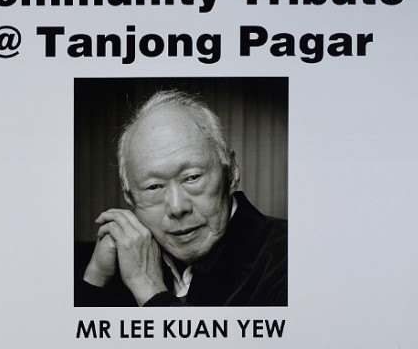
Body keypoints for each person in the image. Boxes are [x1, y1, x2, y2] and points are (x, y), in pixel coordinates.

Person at [76, 90, 287, 307]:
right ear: (130, 198)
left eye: (192, 177)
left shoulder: (290, 258)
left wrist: (148, 288)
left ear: (231, 173)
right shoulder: (106, 263)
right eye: (154, 186)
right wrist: (96, 278)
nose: (177, 208)